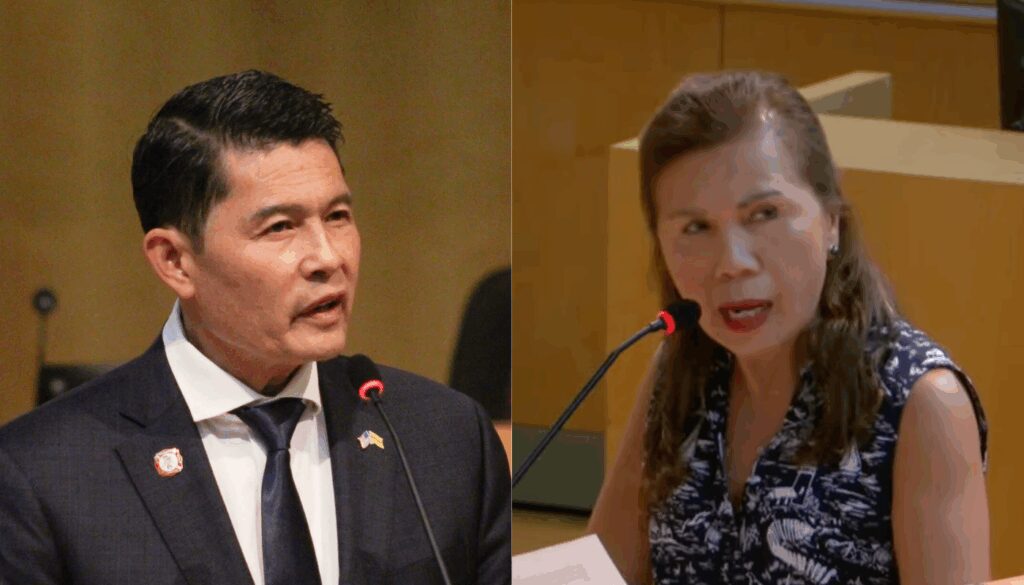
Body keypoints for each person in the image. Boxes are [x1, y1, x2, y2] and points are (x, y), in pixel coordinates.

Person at [0, 70, 511, 585]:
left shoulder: (444, 438)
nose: (328, 258)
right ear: (175, 261)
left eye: (337, 216)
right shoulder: (43, 475)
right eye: (280, 227)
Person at [587, 70, 989, 584]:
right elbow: (598, 575)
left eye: (764, 214)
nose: (731, 263)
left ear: (832, 221)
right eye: (696, 227)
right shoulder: (679, 369)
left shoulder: (921, 403)